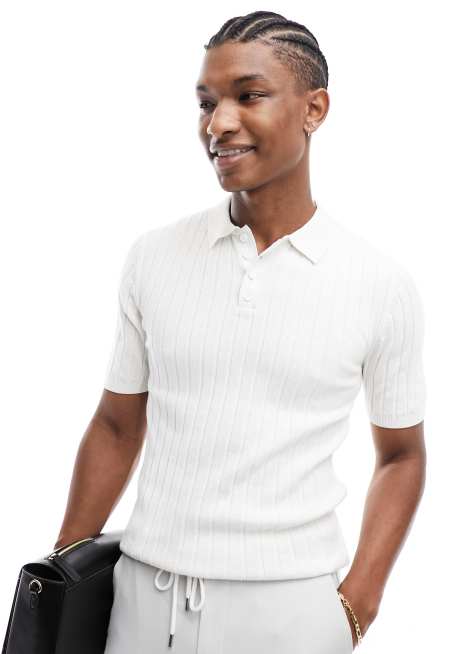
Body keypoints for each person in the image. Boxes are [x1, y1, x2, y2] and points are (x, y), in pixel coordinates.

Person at [54, 10, 427, 654]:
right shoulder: (154, 257)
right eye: (206, 102)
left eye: (248, 96)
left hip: (290, 614)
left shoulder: (379, 285)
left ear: (314, 109)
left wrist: (357, 604)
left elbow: (402, 456)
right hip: (141, 602)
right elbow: (117, 425)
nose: (217, 123)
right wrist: (61, 576)